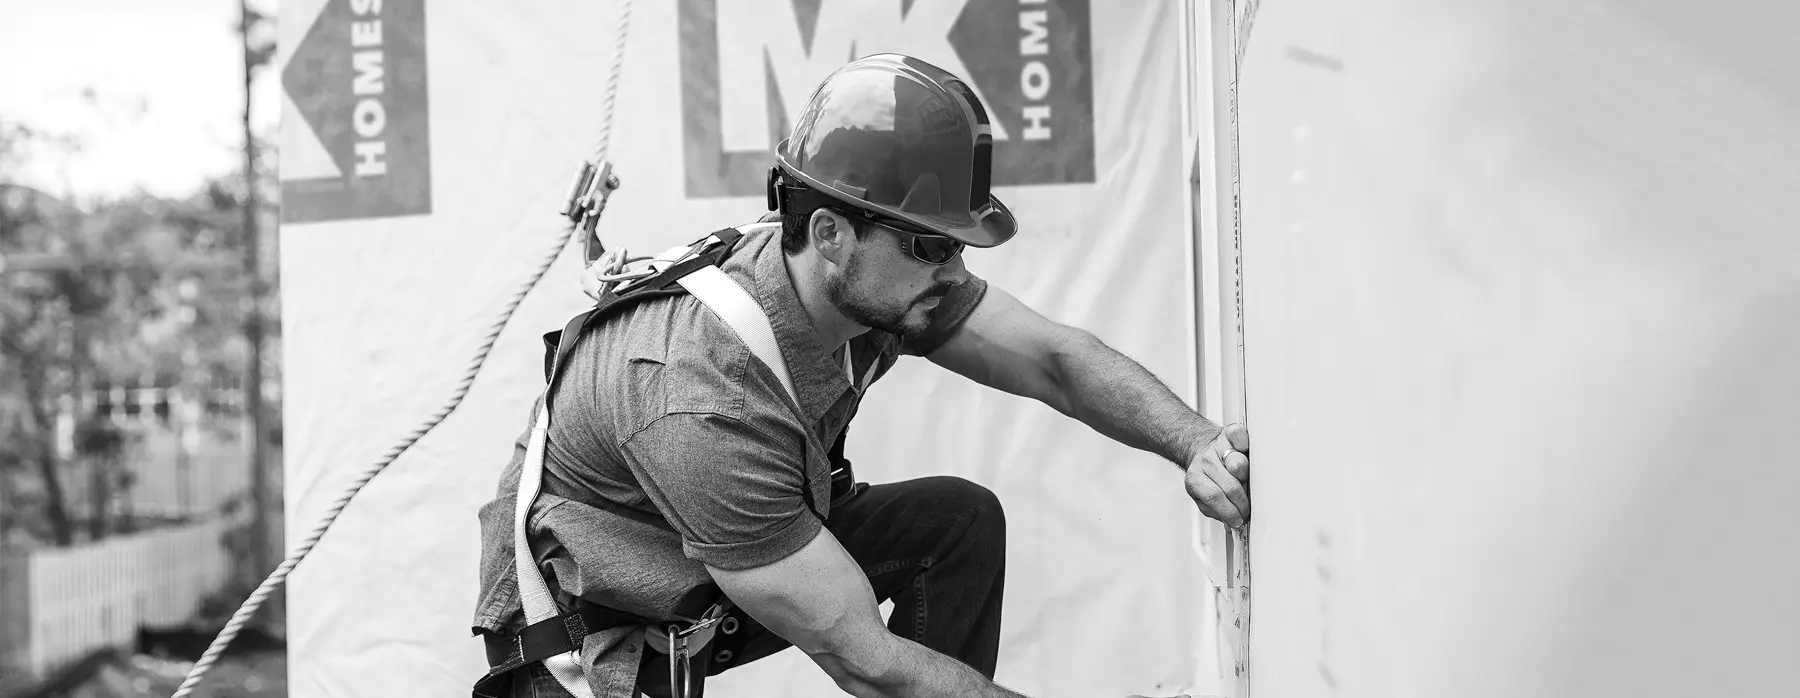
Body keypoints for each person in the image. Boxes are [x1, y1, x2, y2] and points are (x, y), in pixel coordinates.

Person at [471, 54, 1251, 698]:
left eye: (958, 245)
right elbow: (865, 661)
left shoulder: (881, 290)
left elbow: (1055, 362)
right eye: (930, 246)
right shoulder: (701, 396)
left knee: (953, 524)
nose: (955, 268)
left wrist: (1196, 444)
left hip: (705, 558)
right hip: (589, 642)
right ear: (831, 234)